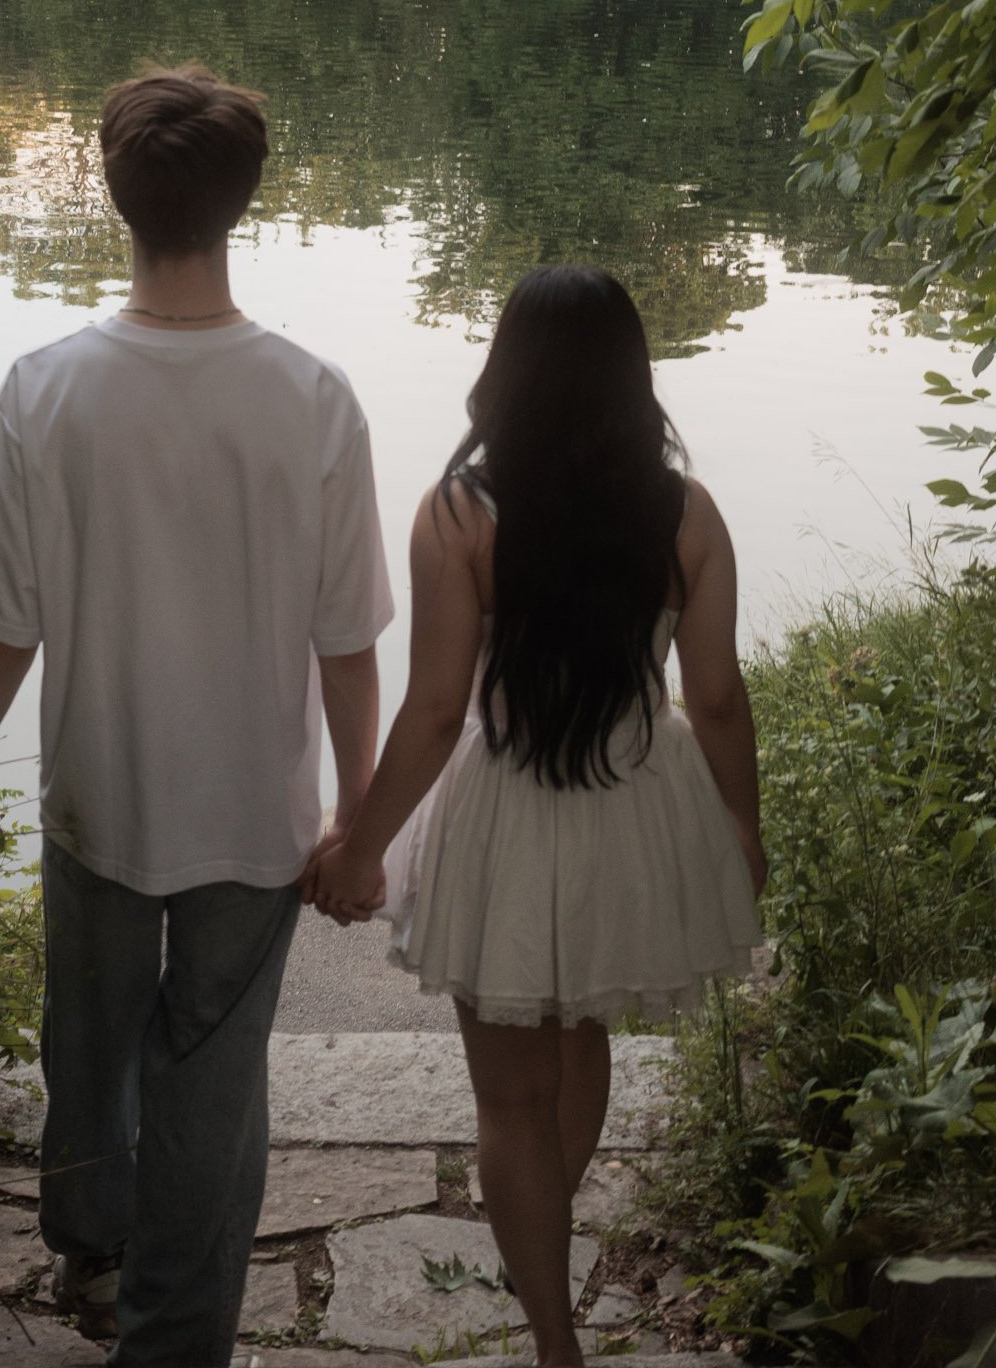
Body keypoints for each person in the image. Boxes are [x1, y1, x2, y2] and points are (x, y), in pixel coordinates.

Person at [0, 63, 394, 1366]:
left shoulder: (44, 388)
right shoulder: (313, 398)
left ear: (112, 195)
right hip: (253, 813)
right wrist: (357, 817)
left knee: (88, 1040)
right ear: (244, 200)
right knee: (211, 1082)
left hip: (96, 799)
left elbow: (5, 624)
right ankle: (175, 1332)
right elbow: (346, 644)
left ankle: (90, 1238)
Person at [310, 266, 763, 1368]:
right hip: (633, 803)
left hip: (507, 805)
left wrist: (358, 844)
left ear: (503, 369)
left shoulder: (459, 511)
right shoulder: (686, 514)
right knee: (582, 1032)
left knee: (509, 1095)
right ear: (631, 376)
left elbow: (430, 707)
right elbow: (713, 697)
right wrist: (744, 831)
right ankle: (543, 1249)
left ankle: (552, 1329)